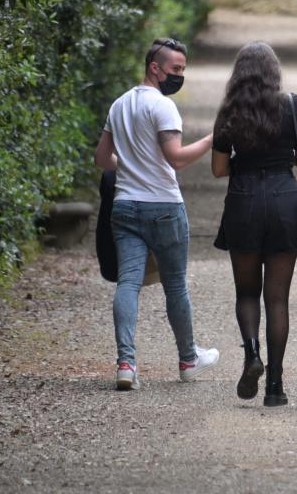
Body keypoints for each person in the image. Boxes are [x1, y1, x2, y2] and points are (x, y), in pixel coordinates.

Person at [94, 37, 220, 391]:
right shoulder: (163, 107)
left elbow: (102, 160)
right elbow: (176, 157)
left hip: (125, 206)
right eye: (175, 69)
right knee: (175, 284)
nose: (179, 76)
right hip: (163, 206)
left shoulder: (119, 104)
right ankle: (188, 359)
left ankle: (126, 363)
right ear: (155, 67)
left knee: (129, 283)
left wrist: (132, 166)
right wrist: (211, 139)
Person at [211, 41, 297, 407]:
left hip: (244, 201)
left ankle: (252, 354)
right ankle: (276, 386)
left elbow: (219, 169)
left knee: (247, 292)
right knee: (278, 299)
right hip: (285, 200)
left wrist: (245, 163)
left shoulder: (230, 111)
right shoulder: (292, 104)